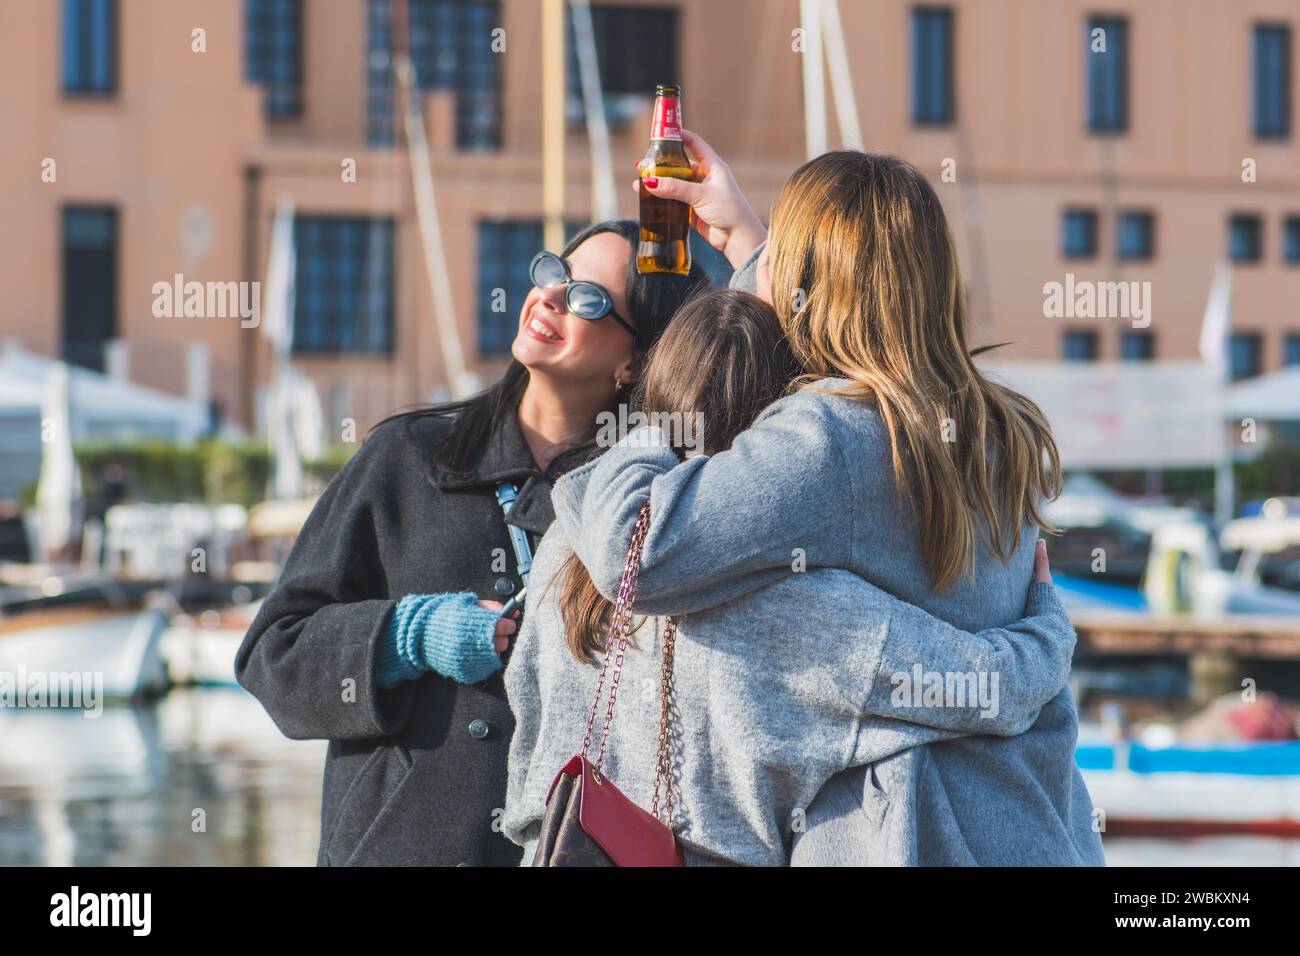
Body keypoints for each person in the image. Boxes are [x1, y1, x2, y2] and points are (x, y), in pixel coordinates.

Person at [553, 140, 1105, 865]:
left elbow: (638, 551)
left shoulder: (830, 437)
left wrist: (662, 414)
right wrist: (751, 237)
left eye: (786, 249)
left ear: (808, 277)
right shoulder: (996, 426)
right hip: (1034, 828)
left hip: (909, 841)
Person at [235, 219, 709, 866]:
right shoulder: (407, 458)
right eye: (553, 275)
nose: (551, 298)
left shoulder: (645, 506)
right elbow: (271, 656)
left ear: (634, 361)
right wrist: (408, 637)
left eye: (589, 300)